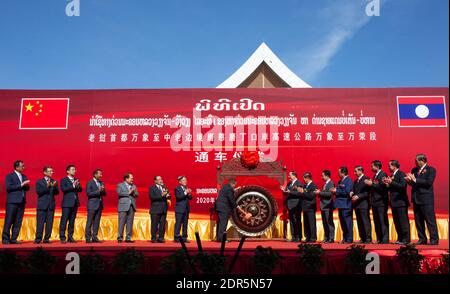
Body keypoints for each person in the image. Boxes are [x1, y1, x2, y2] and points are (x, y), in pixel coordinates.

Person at [406, 154, 439, 245]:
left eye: (416, 161)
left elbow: (428, 183)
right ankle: (422, 239)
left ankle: (434, 239)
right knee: (418, 220)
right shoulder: (414, 170)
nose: (415, 162)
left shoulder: (431, 169)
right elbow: (413, 183)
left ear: (422, 160)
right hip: (416, 198)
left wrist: (415, 180)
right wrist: (409, 181)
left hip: (426, 199)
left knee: (430, 220)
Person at [2, 160, 30, 244]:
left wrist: (26, 185)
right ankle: (5, 239)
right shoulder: (10, 176)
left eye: (24, 166)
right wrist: (21, 185)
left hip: (21, 201)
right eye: (22, 166)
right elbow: (9, 188)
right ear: (17, 167)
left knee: (18, 221)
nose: (24, 167)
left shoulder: (24, 176)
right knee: (9, 220)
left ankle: (14, 239)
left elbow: (27, 188)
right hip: (12, 202)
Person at [383, 160, 410, 244]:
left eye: (389, 166)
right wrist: (387, 184)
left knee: (403, 221)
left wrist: (392, 182)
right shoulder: (392, 175)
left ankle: (406, 239)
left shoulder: (401, 174)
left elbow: (402, 186)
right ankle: (400, 238)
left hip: (401, 202)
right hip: (394, 202)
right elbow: (392, 188)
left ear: (394, 166)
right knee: (397, 222)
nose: (388, 167)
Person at [365, 160, 389, 244]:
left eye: (372, 166)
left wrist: (371, 184)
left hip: (381, 202)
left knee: (382, 221)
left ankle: (385, 239)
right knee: (377, 221)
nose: (371, 168)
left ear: (377, 166)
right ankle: (379, 238)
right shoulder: (375, 175)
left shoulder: (383, 174)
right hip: (375, 202)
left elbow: (382, 187)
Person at [35, 166, 59, 244]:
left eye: (52, 171)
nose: (51, 172)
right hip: (42, 205)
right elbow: (39, 192)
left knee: (49, 223)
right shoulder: (39, 181)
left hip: (51, 205)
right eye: (49, 171)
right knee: (40, 223)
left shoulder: (54, 181)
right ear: (45, 172)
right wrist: (47, 187)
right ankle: (38, 239)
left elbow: (57, 193)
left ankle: (46, 239)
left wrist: (54, 187)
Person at [59, 165, 82, 243]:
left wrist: (78, 185)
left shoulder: (76, 179)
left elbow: (80, 189)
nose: (74, 171)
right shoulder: (64, 179)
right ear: (68, 171)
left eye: (75, 169)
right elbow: (64, 189)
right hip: (67, 203)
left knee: (72, 221)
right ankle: (62, 237)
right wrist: (73, 185)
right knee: (64, 220)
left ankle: (70, 237)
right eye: (72, 169)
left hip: (75, 203)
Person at [331, 166, 353, 244]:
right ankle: (345, 238)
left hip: (346, 205)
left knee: (347, 223)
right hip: (340, 205)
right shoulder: (340, 181)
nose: (338, 174)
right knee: (342, 223)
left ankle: (349, 239)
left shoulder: (348, 181)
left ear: (343, 173)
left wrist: (336, 191)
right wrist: (335, 190)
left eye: (339, 172)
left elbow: (347, 191)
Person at [351, 166, 372, 244]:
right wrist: (352, 193)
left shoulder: (366, 179)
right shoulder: (356, 181)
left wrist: (358, 196)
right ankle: (362, 238)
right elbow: (355, 191)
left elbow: (367, 192)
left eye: (355, 171)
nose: (354, 173)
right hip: (357, 204)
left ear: (360, 171)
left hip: (364, 204)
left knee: (365, 221)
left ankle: (368, 238)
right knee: (359, 222)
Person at [280, 171, 303, 242]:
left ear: (294, 176)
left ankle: (298, 236)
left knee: (297, 221)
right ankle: (293, 237)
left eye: (290, 175)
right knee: (292, 221)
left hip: (296, 205)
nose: (288, 177)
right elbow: (288, 191)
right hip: (290, 205)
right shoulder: (289, 184)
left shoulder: (298, 183)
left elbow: (299, 193)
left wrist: (290, 192)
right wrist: (284, 190)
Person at [314, 170, 335, 243]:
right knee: (325, 222)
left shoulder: (331, 183)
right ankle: (327, 237)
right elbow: (324, 193)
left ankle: (331, 238)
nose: (321, 177)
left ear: (327, 175)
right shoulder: (325, 184)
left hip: (328, 205)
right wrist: (319, 192)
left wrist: (320, 192)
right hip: (323, 205)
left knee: (329, 222)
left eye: (323, 175)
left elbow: (329, 194)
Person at [85, 169, 106, 243]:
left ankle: (95, 237)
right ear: (95, 174)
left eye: (101, 174)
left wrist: (103, 190)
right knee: (89, 221)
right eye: (100, 174)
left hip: (99, 205)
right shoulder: (90, 183)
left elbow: (104, 194)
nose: (101, 175)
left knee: (97, 222)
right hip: (92, 205)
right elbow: (88, 194)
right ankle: (88, 238)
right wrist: (98, 191)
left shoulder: (101, 182)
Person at [117, 173, 138, 243]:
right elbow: (119, 193)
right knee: (121, 222)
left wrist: (134, 192)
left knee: (130, 222)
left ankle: (128, 237)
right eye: (131, 178)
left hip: (132, 206)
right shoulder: (120, 185)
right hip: (123, 206)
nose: (132, 179)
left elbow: (137, 194)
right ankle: (120, 237)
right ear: (126, 179)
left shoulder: (133, 186)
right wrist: (128, 192)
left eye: (133, 178)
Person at [149, 175, 170, 243]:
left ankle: (161, 238)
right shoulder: (152, 188)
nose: (161, 180)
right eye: (159, 179)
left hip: (163, 209)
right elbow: (152, 197)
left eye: (161, 179)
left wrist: (168, 195)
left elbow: (169, 196)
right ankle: (153, 238)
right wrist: (162, 195)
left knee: (162, 224)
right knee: (154, 224)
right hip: (155, 209)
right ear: (155, 181)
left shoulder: (164, 187)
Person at [297, 172, 317, 243]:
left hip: (310, 207)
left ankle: (313, 237)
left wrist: (303, 192)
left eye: (304, 178)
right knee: (306, 223)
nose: (303, 180)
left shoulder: (313, 185)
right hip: (305, 207)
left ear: (307, 178)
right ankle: (307, 237)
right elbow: (303, 195)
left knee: (311, 223)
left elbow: (311, 196)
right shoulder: (305, 186)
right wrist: (300, 191)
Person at [174, 176, 192, 242]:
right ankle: (176, 237)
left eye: (186, 180)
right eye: (184, 180)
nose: (185, 181)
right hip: (179, 209)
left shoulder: (186, 188)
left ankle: (184, 237)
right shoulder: (177, 189)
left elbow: (190, 198)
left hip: (186, 209)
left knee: (185, 223)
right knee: (178, 223)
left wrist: (189, 194)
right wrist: (185, 193)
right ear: (180, 182)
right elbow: (178, 197)